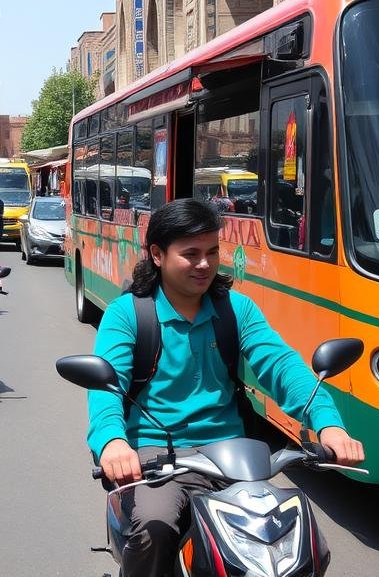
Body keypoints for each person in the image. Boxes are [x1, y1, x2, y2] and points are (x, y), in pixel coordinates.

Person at [87, 198, 364, 577]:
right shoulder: (128, 314)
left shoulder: (237, 309)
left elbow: (281, 366)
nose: (204, 264)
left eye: (212, 252)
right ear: (157, 254)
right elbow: (106, 385)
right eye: (191, 254)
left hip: (234, 456)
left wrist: (328, 422)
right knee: (154, 528)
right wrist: (112, 442)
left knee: (303, 543)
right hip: (158, 457)